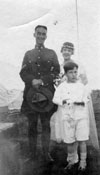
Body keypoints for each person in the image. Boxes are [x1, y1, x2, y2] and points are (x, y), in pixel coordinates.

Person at [19, 25, 60, 161]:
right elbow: (23, 72)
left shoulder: (51, 53)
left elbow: (56, 72)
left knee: (46, 124)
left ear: (46, 36)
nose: (41, 36)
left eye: (43, 34)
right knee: (32, 125)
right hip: (31, 95)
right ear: (34, 35)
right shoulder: (28, 54)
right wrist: (33, 81)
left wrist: (42, 80)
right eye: (39, 34)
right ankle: (32, 155)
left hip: (47, 95)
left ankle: (46, 153)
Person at [52, 61, 90, 171]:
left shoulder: (81, 86)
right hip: (67, 116)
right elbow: (55, 99)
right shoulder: (62, 87)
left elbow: (86, 98)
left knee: (82, 139)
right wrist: (63, 101)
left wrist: (81, 101)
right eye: (71, 72)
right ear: (66, 74)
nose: (74, 74)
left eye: (75, 72)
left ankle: (83, 161)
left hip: (80, 116)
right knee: (69, 141)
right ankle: (72, 160)